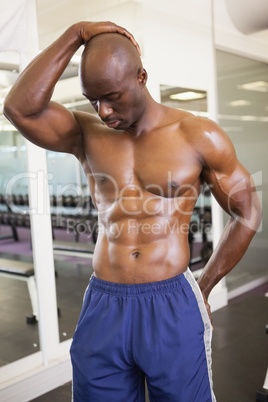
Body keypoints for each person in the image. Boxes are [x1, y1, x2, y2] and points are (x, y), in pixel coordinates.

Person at [3, 21, 262, 402]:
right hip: (105, 301)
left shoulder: (197, 134)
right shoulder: (86, 133)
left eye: (112, 96)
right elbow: (18, 108)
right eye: (93, 100)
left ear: (141, 77)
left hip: (171, 299)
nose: (104, 111)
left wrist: (204, 286)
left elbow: (248, 211)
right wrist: (76, 34)